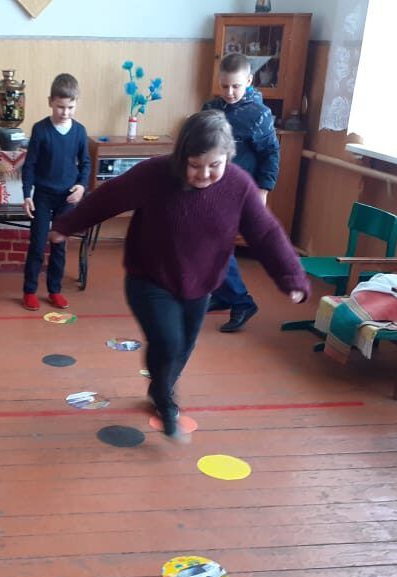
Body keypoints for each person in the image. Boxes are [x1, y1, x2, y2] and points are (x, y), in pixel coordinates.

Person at [49, 111, 309, 441]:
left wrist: (291, 276)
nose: (204, 174)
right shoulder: (155, 174)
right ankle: (164, 398)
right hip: (149, 278)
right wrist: (66, 225)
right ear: (181, 156)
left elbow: (266, 233)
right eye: (195, 165)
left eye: (214, 165)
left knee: (183, 346)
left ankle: (162, 386)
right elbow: (108, 197)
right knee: (168, 341)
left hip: (200, 283)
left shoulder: (238, 185)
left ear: (228, 157)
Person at [202, 53, 281, 332]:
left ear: (248, 81)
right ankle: (225, 295)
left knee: (218, 245)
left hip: (239, 191)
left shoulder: (259, 115)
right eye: (224, 86)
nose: (230, 92)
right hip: (210, 187)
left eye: (236, 86)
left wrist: (264, 189)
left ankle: (241, 301)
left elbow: (271, 153)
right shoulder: (211, 109)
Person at [19, 72, 90, 312]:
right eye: (60, 107)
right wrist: (26, 194)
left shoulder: (79, 132)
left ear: (76, 104)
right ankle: (29, 291)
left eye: (70, 107)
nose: (65, 112)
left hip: (67, 197)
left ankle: (54, 290)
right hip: (43, 197)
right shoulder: (40, 130)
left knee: (59, 245)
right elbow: (30, 165)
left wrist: (81, 186)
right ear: (50, 102)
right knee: (38, 245)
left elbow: (86, 163)